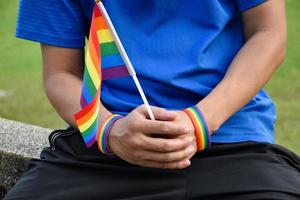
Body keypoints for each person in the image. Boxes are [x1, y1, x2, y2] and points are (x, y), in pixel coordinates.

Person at [5, 0, 300, 199]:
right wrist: (110, 129)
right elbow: (59, 72)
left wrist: (200, 121)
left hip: (232, 142)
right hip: (106, 150)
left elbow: (269, 33)